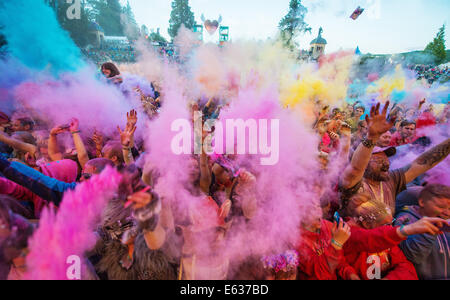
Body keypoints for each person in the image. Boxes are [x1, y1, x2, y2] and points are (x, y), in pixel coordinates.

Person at [340, 102, 450, 216]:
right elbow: (356, 168)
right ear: (365, 164)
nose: (386, 164)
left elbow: (422, 163)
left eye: (386, 159)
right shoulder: (354, 183)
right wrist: (372, 137)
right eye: (378, 160)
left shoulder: (391, 180)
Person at [342, 192, 447, 280]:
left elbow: (405, 266)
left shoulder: (389, 242)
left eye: (392, 222)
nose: (391, 227)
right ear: (367, 225)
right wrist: (408, 229)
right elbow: (371, 238)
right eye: (386, 225)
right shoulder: (347, 234)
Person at [395, 184, 450, 280]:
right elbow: (412, 256)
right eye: (441, 207)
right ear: (422, 202)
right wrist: (429, 232)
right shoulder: (406, 221)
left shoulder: (442, 220)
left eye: (449, 209)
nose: (447, 213)